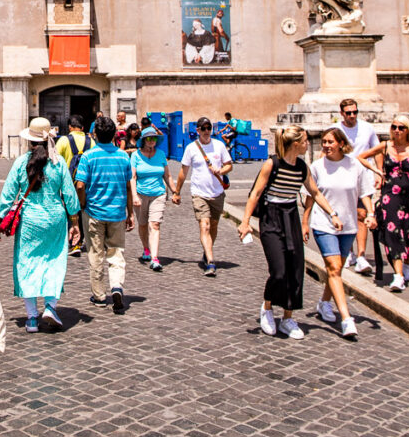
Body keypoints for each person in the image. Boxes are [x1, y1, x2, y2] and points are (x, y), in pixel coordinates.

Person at [238, 126, 341, 339]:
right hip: (271, 218)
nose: (307, 144)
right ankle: (267, 306)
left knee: (295, 270)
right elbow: (256, 193)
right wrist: (245, 221)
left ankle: (287, 317)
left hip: (291, 216)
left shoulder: (302, 167)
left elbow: (314, 191)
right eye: (305, 141)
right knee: (279, 270)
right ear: (296, 144)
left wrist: (332, 213)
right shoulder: (272, 164)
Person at [0, 117, 80, 332]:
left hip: (29, 222)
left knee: (27, 263)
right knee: (54, 262)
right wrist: (75, 221)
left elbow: (8, 192)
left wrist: (0, 217)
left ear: (29, 141)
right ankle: (51, 307)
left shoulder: (21, 162)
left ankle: (32, 317)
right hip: (55, 219)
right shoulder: (58, 162)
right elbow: (70, 195)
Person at [301, 128, 376, 339]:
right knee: (333, 267)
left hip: (349, 225)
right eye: (324, 141)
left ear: (341, 144)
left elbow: (365, 193)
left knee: (337, 270)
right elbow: (310, 196)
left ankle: (324, 303)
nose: (325, 145)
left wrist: (370, 213)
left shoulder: (355, 166)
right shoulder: (316, 167)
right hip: (323, 223)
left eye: (330, 142)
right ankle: (346, 318)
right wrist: (305, 222)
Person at [357, 114, 409, 292]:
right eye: (394, 127)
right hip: (390, 196)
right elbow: (362, 157)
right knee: (392, 231)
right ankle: (398, 276)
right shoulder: (385, 146)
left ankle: (406, 265)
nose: (396, 130)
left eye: (401, 128)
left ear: (407, 130)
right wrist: (378, 171)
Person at [74, 115, 134, 314]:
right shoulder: (123, 157)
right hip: (117, 212)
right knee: (116, 253)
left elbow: (80, 184)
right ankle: (116, 286)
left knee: (96, 253)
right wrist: (130, 213)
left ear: (94, 135)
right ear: (115, 135)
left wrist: (81, 202)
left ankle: (99, 295)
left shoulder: (88, 157)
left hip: (94, 212)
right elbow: (128, 186)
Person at [173, 117, 232, 276]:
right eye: (203, 128)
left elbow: (229, 165)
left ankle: (207, 252)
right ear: (197, 130)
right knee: (204, 224)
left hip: (217, 193)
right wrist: (177, 192)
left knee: (213, 225)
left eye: (209, 128)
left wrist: (221, 171)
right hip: (199, 193)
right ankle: (211, 262)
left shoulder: (219, 146)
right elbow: (183, 171)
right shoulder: (191, 148)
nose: (207, 131)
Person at [336, 98, 379, 274]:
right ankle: (348, 253)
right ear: (342, 114)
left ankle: (361, 256)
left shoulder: (367, 128)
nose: (352, 116)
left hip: (363, 179)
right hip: (342, 179)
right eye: (348, 113)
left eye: (355, 112)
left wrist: (379, 171)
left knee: (362, 215)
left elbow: (377, 150)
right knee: (345, 216)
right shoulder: (337, 130)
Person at [131, 126, 174, 271]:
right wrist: (134, 195)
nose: (152, 141)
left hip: (159, 193)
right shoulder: (136, 156)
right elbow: (133, 177)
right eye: (149, 138)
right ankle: (146, 248)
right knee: (142, 224)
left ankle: (155, 258)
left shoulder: (161, 154)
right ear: (143, 140)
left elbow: (167, 175)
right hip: (141, 194)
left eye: (154, 138)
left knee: (154, 224)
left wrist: (175, 191)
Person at [55, 114, 92, 255]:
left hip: (68, 182)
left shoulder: (64, 140)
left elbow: (55, 159)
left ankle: (74, 242)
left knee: (70, 210)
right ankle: (83, 239)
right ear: (83, 127)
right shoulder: (91, 141)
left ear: (70, 127)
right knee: (84, 209)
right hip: (86, 182)